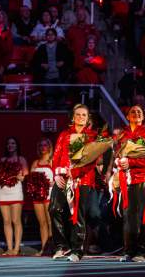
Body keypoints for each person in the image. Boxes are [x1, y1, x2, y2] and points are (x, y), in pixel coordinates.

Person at [50, 104, 98, 262]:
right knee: (54, 209)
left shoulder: (91, 136)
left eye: (84, 115)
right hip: (62, 178)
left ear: (87, 118)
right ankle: (61, 246)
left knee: (78, 214)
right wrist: (57, 173)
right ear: (72, 117)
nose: (80, 117)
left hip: (82, 180)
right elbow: (56, 157)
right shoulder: (64, 135)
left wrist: (76, 173)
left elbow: (92, 162)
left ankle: (77, 250)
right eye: (78, 114)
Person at [115, 105, 145, 262]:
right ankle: (129, 250)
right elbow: (117, 155)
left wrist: (130, 162)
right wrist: (119, 162)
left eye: (139, 112)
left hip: (143, 178)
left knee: (142, 215)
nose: (136, 113)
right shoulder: (122, 135)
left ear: (143, 117)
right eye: (132, 111)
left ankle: (142, 251)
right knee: (128, 217)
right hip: (126, 179)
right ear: (127, 116)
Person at [0, 137, 28, 256]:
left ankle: (16, 248)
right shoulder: (3, 159)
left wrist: (18, 176)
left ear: (17, 145)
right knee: (6, 221)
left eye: (13, 143)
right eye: (8, 143)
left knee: (16, 220)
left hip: (16, 192)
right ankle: (9, 248)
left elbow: (25, 176)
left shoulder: (21, 159)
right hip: (3, 192)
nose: (10, 145)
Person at [30, 138, 54, 256]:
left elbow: (59, 177)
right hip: (37, 196)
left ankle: (53, 247)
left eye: (45, 145)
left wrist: (52, 183)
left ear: (50, 147)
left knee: (50, 222)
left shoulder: (52, 161)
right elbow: (30, 179)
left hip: (49, 194)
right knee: (42, 223)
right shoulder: (35, 163)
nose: (43, 147)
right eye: (41, 145)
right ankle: (43, 248)